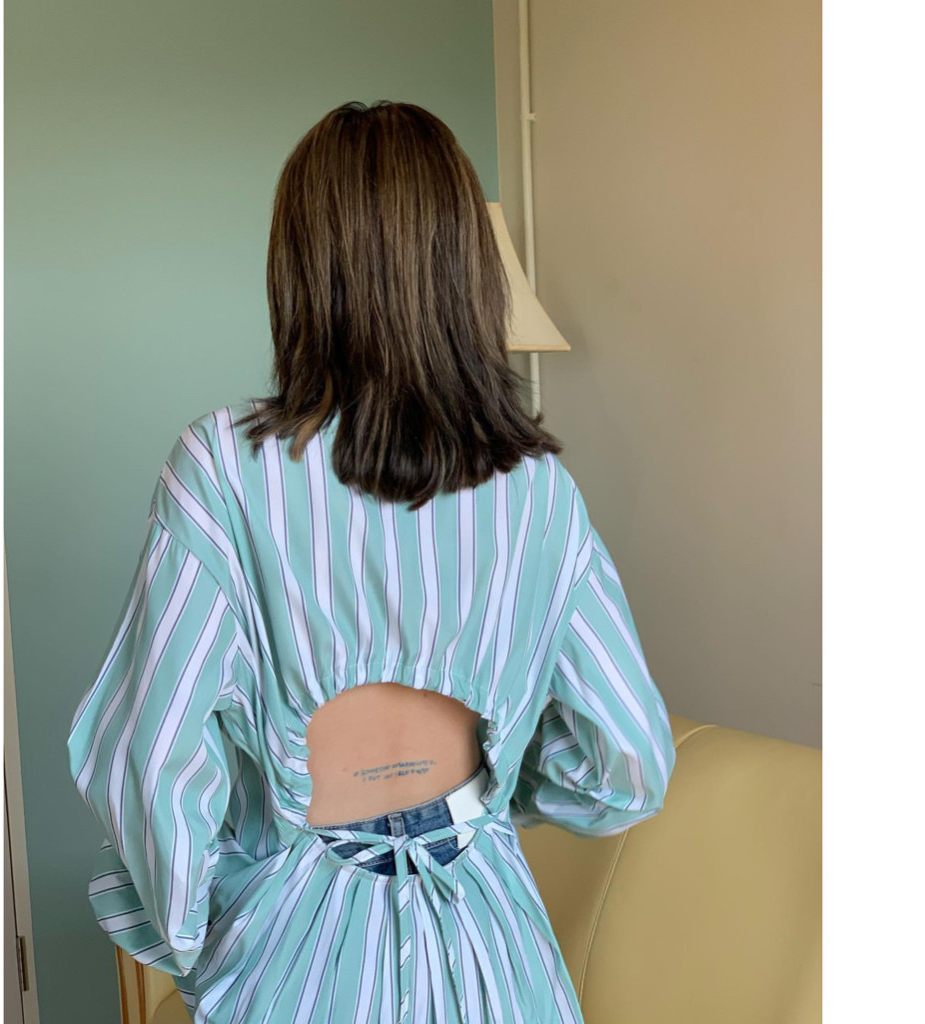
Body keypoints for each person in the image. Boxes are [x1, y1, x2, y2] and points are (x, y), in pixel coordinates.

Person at [67, 100, 676, 1024]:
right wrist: (498, 791)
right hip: (493, 942)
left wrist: (199, 934)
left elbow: (154, 763)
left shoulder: (222, 469)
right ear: (465, 265)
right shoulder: (537, 489)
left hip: (294, 941)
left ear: (301, 266)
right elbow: (627, 758)